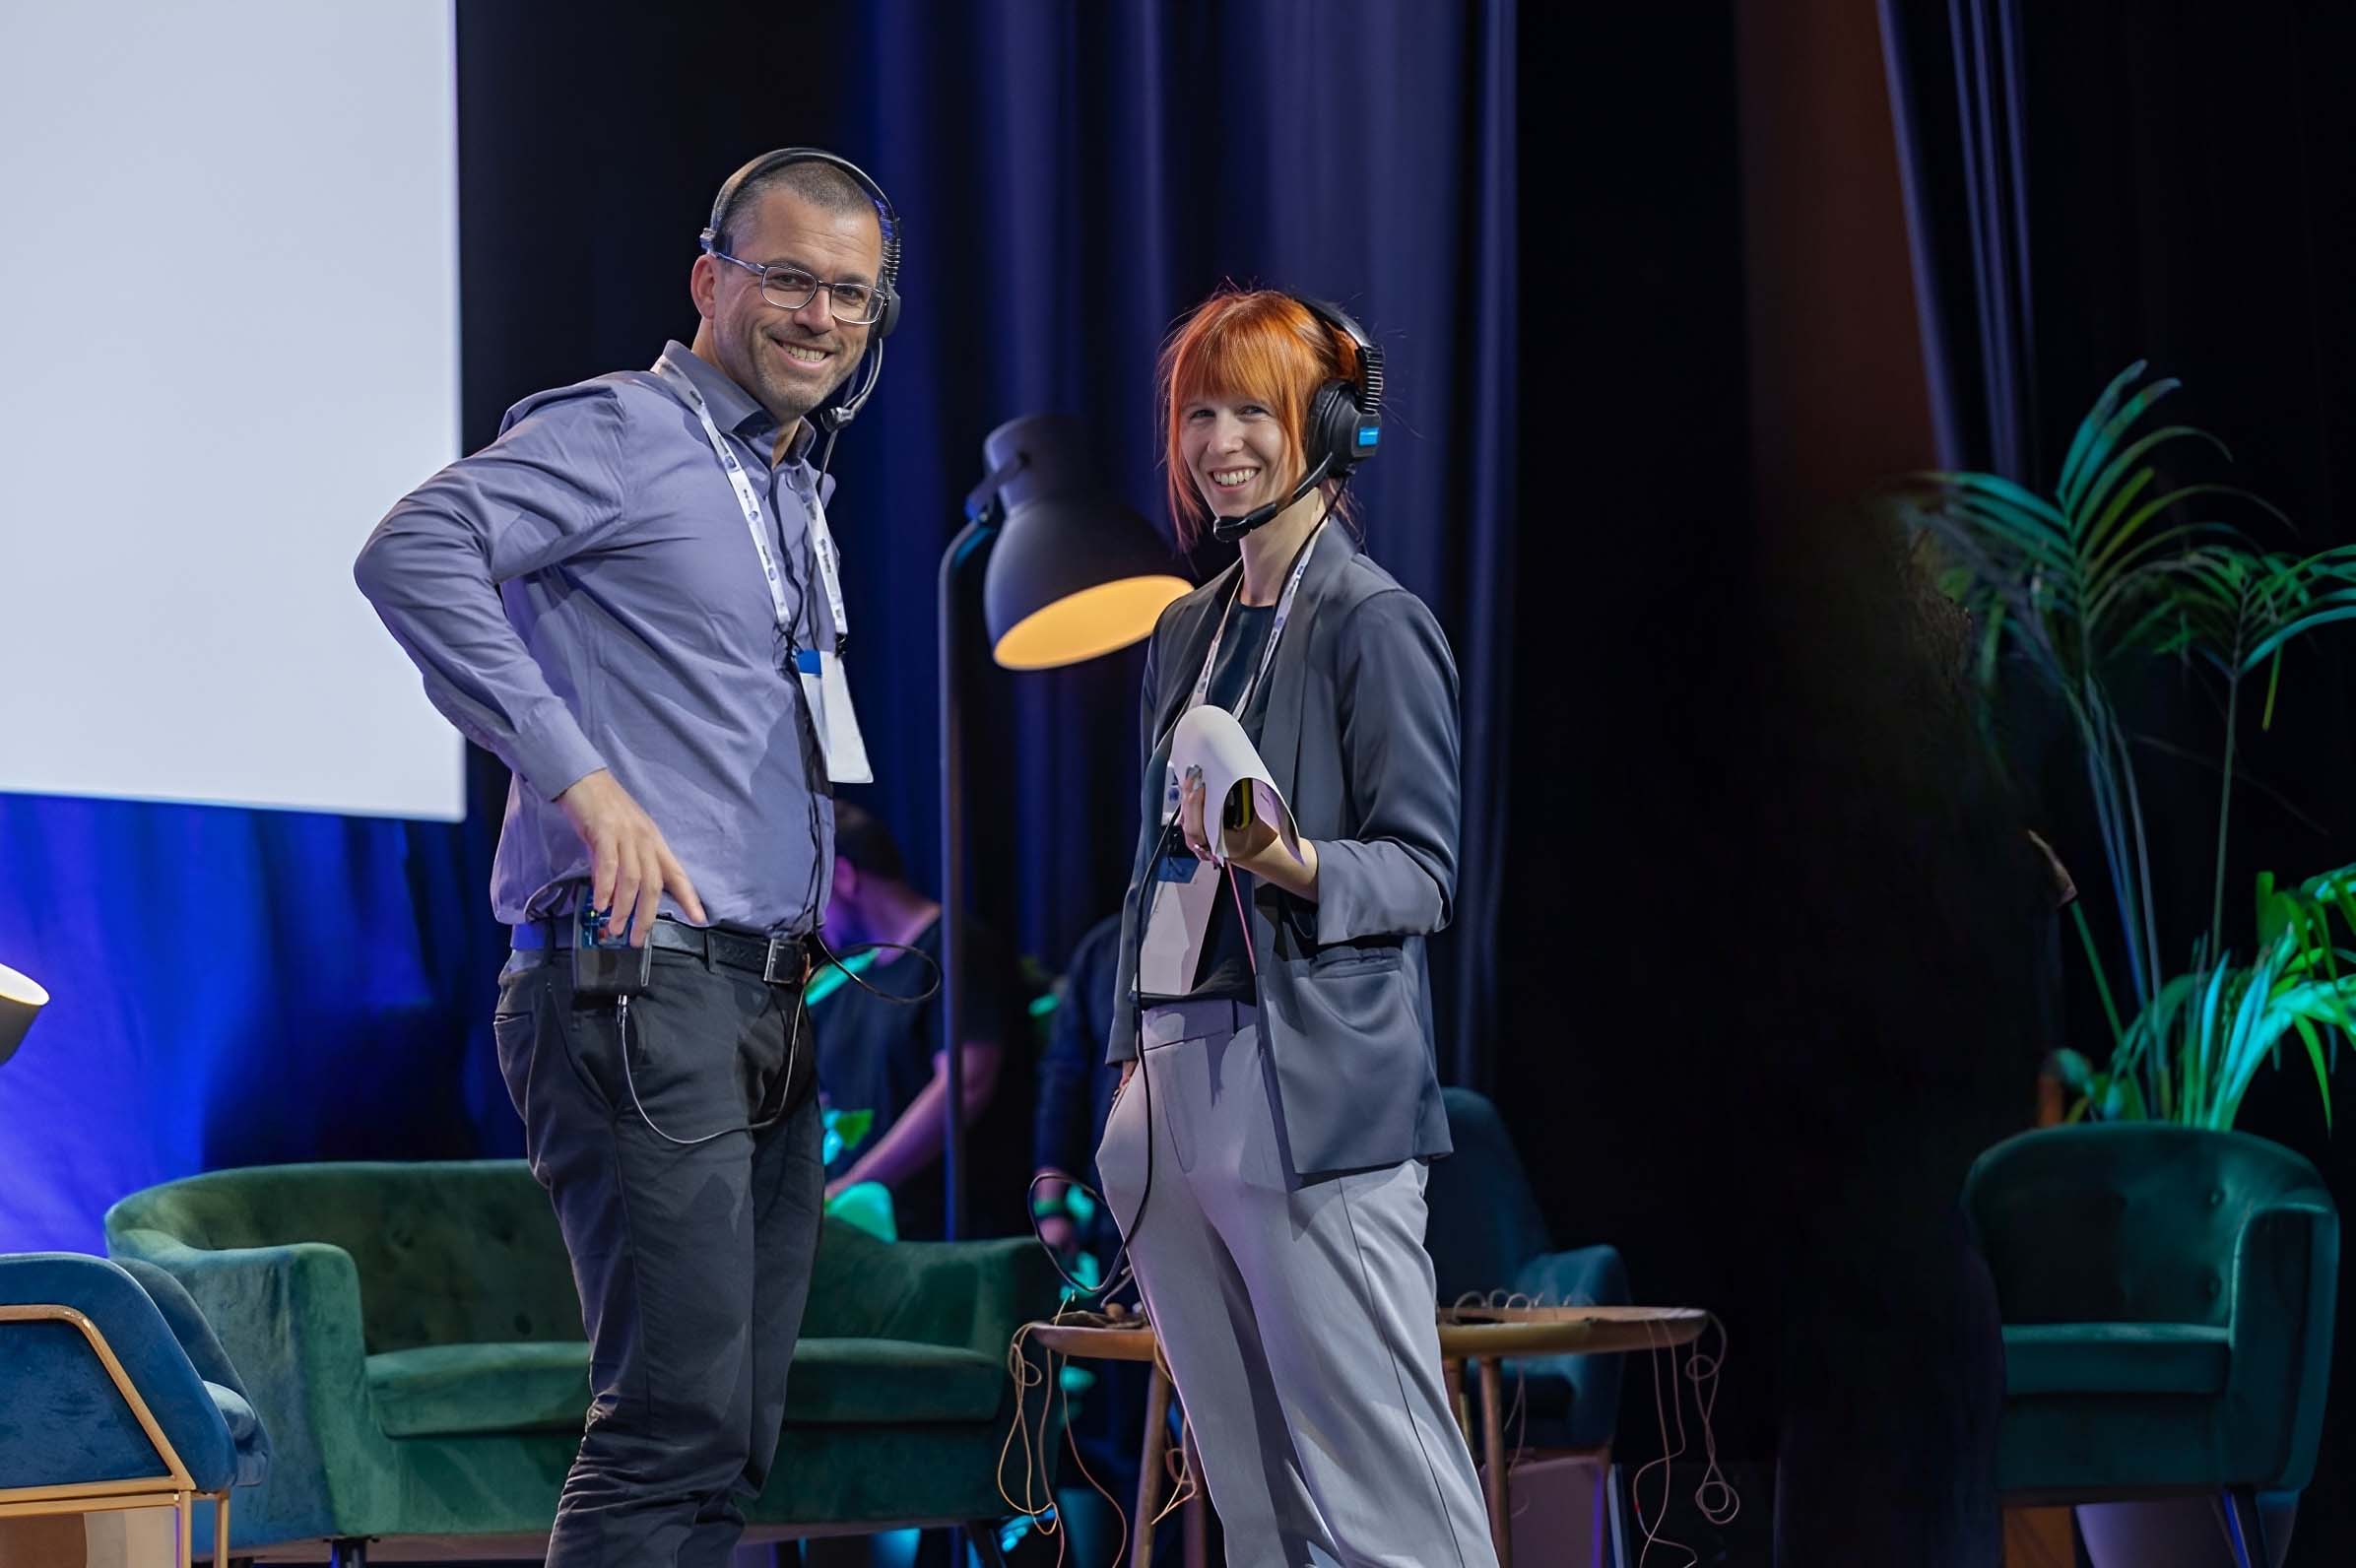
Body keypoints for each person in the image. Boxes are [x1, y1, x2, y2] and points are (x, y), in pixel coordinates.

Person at [354, 148, 901, 1567]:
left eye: (852, 294)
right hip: (636, 988)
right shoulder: (626, 431)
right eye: (788, 278)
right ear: (712, 277)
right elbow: (413, 552)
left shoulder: (788, 484)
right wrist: (578, 775)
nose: (820, 316)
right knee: (670, 1423)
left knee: (732, 1436)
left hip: (763, 1000)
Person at [1095, 288, 1498, 1568]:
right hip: (1172, 1083)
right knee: (1254, 1489)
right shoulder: (1184, 628)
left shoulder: (1373, 623)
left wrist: (1295, 860)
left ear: (1323, 424)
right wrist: (1126, 1072)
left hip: (1308, 1091)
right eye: (1200, 412)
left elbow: (1426, 873)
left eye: (1252, 411)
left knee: (1378, 1483)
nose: (1220, 442)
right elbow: (1150, 866)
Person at [816, 802, 1031, 1240]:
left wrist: (854, 1186)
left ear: (843, 876)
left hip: (947, 1240)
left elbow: (965, 1082)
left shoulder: (955, 947)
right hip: (862, 1236)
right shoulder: (846, 976)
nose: (810, 916)